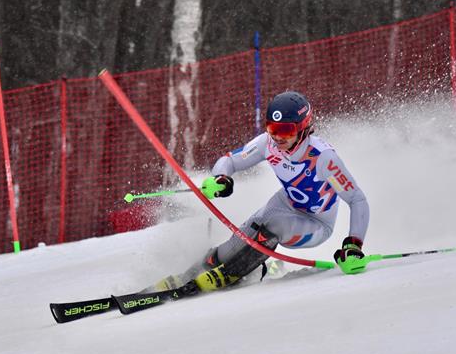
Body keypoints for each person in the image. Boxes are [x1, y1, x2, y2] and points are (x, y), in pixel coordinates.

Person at [155, 91, 370, 293]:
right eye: (273, 129)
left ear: (303, 127)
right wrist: (220, 178)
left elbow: (356, 199)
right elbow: (229, 160)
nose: (278, 137)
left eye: (286, 131)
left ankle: (233, 273)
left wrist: (353, 245)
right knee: (239, 240)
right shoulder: (268, 144)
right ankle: (191, 274)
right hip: (286, 204)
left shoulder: (323, 158)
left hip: (316, 224)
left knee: (272, 226)